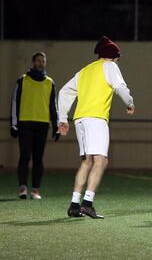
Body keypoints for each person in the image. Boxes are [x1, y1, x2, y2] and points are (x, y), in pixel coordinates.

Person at [58, 36, 135, 219]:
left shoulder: (84, 71)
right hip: (96, 118)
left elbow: (64, 91)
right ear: (113, 56)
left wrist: (62, 118)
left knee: (87, 161)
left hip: (80, 119)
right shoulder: (110, 66)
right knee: (101, 161)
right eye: (117, 57)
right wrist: (130, 102)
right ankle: (88, 203)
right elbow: (120, 86)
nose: (117, 61)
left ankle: (74, 205)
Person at [10, 52, 59, 200]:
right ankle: (23, 187)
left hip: (42, 124)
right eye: (38, 61)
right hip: (25, 123)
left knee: (38, 158)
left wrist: (56, 124)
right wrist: (13, 124)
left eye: (43, 61)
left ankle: (36, 190)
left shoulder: (50, 82)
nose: (40, 63)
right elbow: (14, 102)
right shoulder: (22, 80)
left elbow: (53, 105)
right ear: (33, 62)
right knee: (25, 156)